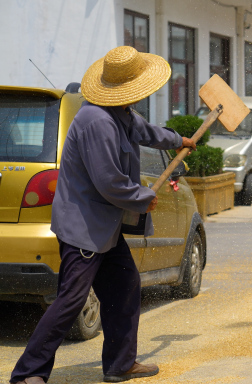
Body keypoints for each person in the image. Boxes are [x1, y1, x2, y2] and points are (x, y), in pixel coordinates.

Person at [10, 46, 196, 384]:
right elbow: (109, 181)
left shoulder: (120, 112)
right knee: (71, 300)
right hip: (85, 229)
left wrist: (179, 139)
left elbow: (146, 131)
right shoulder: (96, 121)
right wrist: (143, 198)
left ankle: (120, 364)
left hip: (105, 229)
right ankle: (27, 373)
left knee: (125, 285)